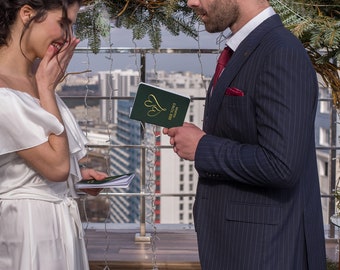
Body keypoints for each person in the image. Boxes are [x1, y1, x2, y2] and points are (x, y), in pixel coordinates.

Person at [163, 0, 327, 269]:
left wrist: (203, 147)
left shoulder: (280, 52)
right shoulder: (249, 47)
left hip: (266, 251)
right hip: (239, 247)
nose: (191, 2)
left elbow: (282, 164)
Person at [0, 1, 108, 269]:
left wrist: (77, 177)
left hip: (57, 226)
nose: (68, 37)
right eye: (63, 23)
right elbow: (57, 167)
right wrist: (47, 89)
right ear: (27, 14)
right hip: (26, 229)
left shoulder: (34, 78)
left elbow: (41, 164)